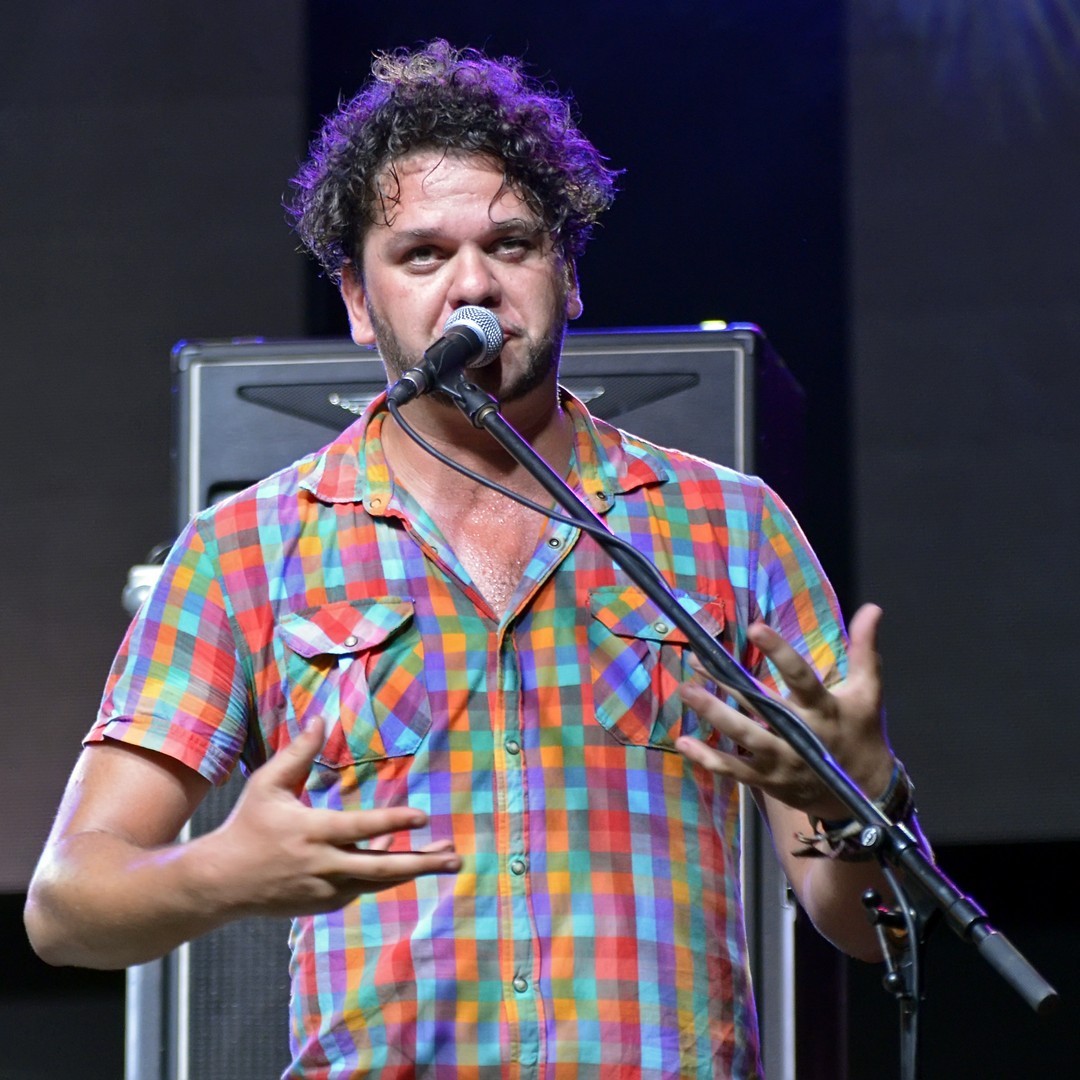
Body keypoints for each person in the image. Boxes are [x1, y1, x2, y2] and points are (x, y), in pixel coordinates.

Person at [25, 39, 930, 1079]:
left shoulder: (731, 525)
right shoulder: (247, 549)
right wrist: (219, 872)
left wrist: (858, 802)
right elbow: (66, 908)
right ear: (357, 299)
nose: (473, 286)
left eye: (512, 244)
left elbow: (872, 931)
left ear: (568, 273)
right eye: (422, 255)